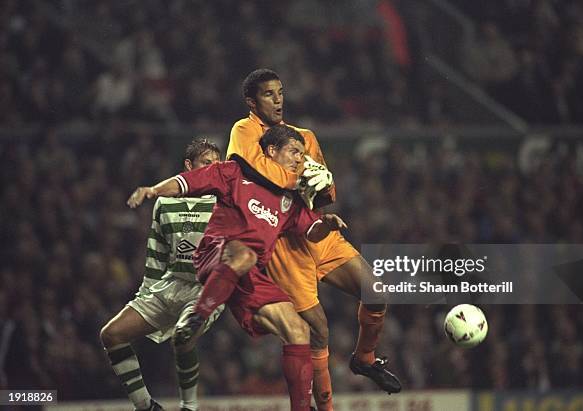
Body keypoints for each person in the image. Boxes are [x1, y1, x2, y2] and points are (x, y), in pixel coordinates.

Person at [127, 124, 347, 411]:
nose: (299, 159)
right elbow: (187, 183)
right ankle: (197, 316)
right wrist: (153, 190)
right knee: (245, 255)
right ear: (271, 151)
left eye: (302, 154)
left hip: (248, 275)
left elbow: (310, 231)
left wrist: (326, 225)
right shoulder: (235, 172)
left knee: (298, 330)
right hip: (216, 253)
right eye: (294, 151)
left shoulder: (289, 201)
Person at [226, 69, 401, 409]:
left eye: (280, 92)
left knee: (376, 292)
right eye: (268, 94)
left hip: (316, 231)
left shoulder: (305, 136)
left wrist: (317, 188)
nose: (277, 100)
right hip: (283, 243)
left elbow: (322, 194)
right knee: (318, 330)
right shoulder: (244, 131)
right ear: (252, 101)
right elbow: (245, 174)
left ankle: (364, 358)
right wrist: (294, 178)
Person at [100, 138, 225, 411]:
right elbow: (156, 257)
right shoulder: (165, 203)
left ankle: (189, 407)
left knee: (183, 336)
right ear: (188, 166)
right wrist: (146, 295)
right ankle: (146, 406)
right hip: (169, 286)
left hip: (206, 290)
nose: (212, 170)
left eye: (217, 165)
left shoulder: (224, 200)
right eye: (206, 164)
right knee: (112, 334)